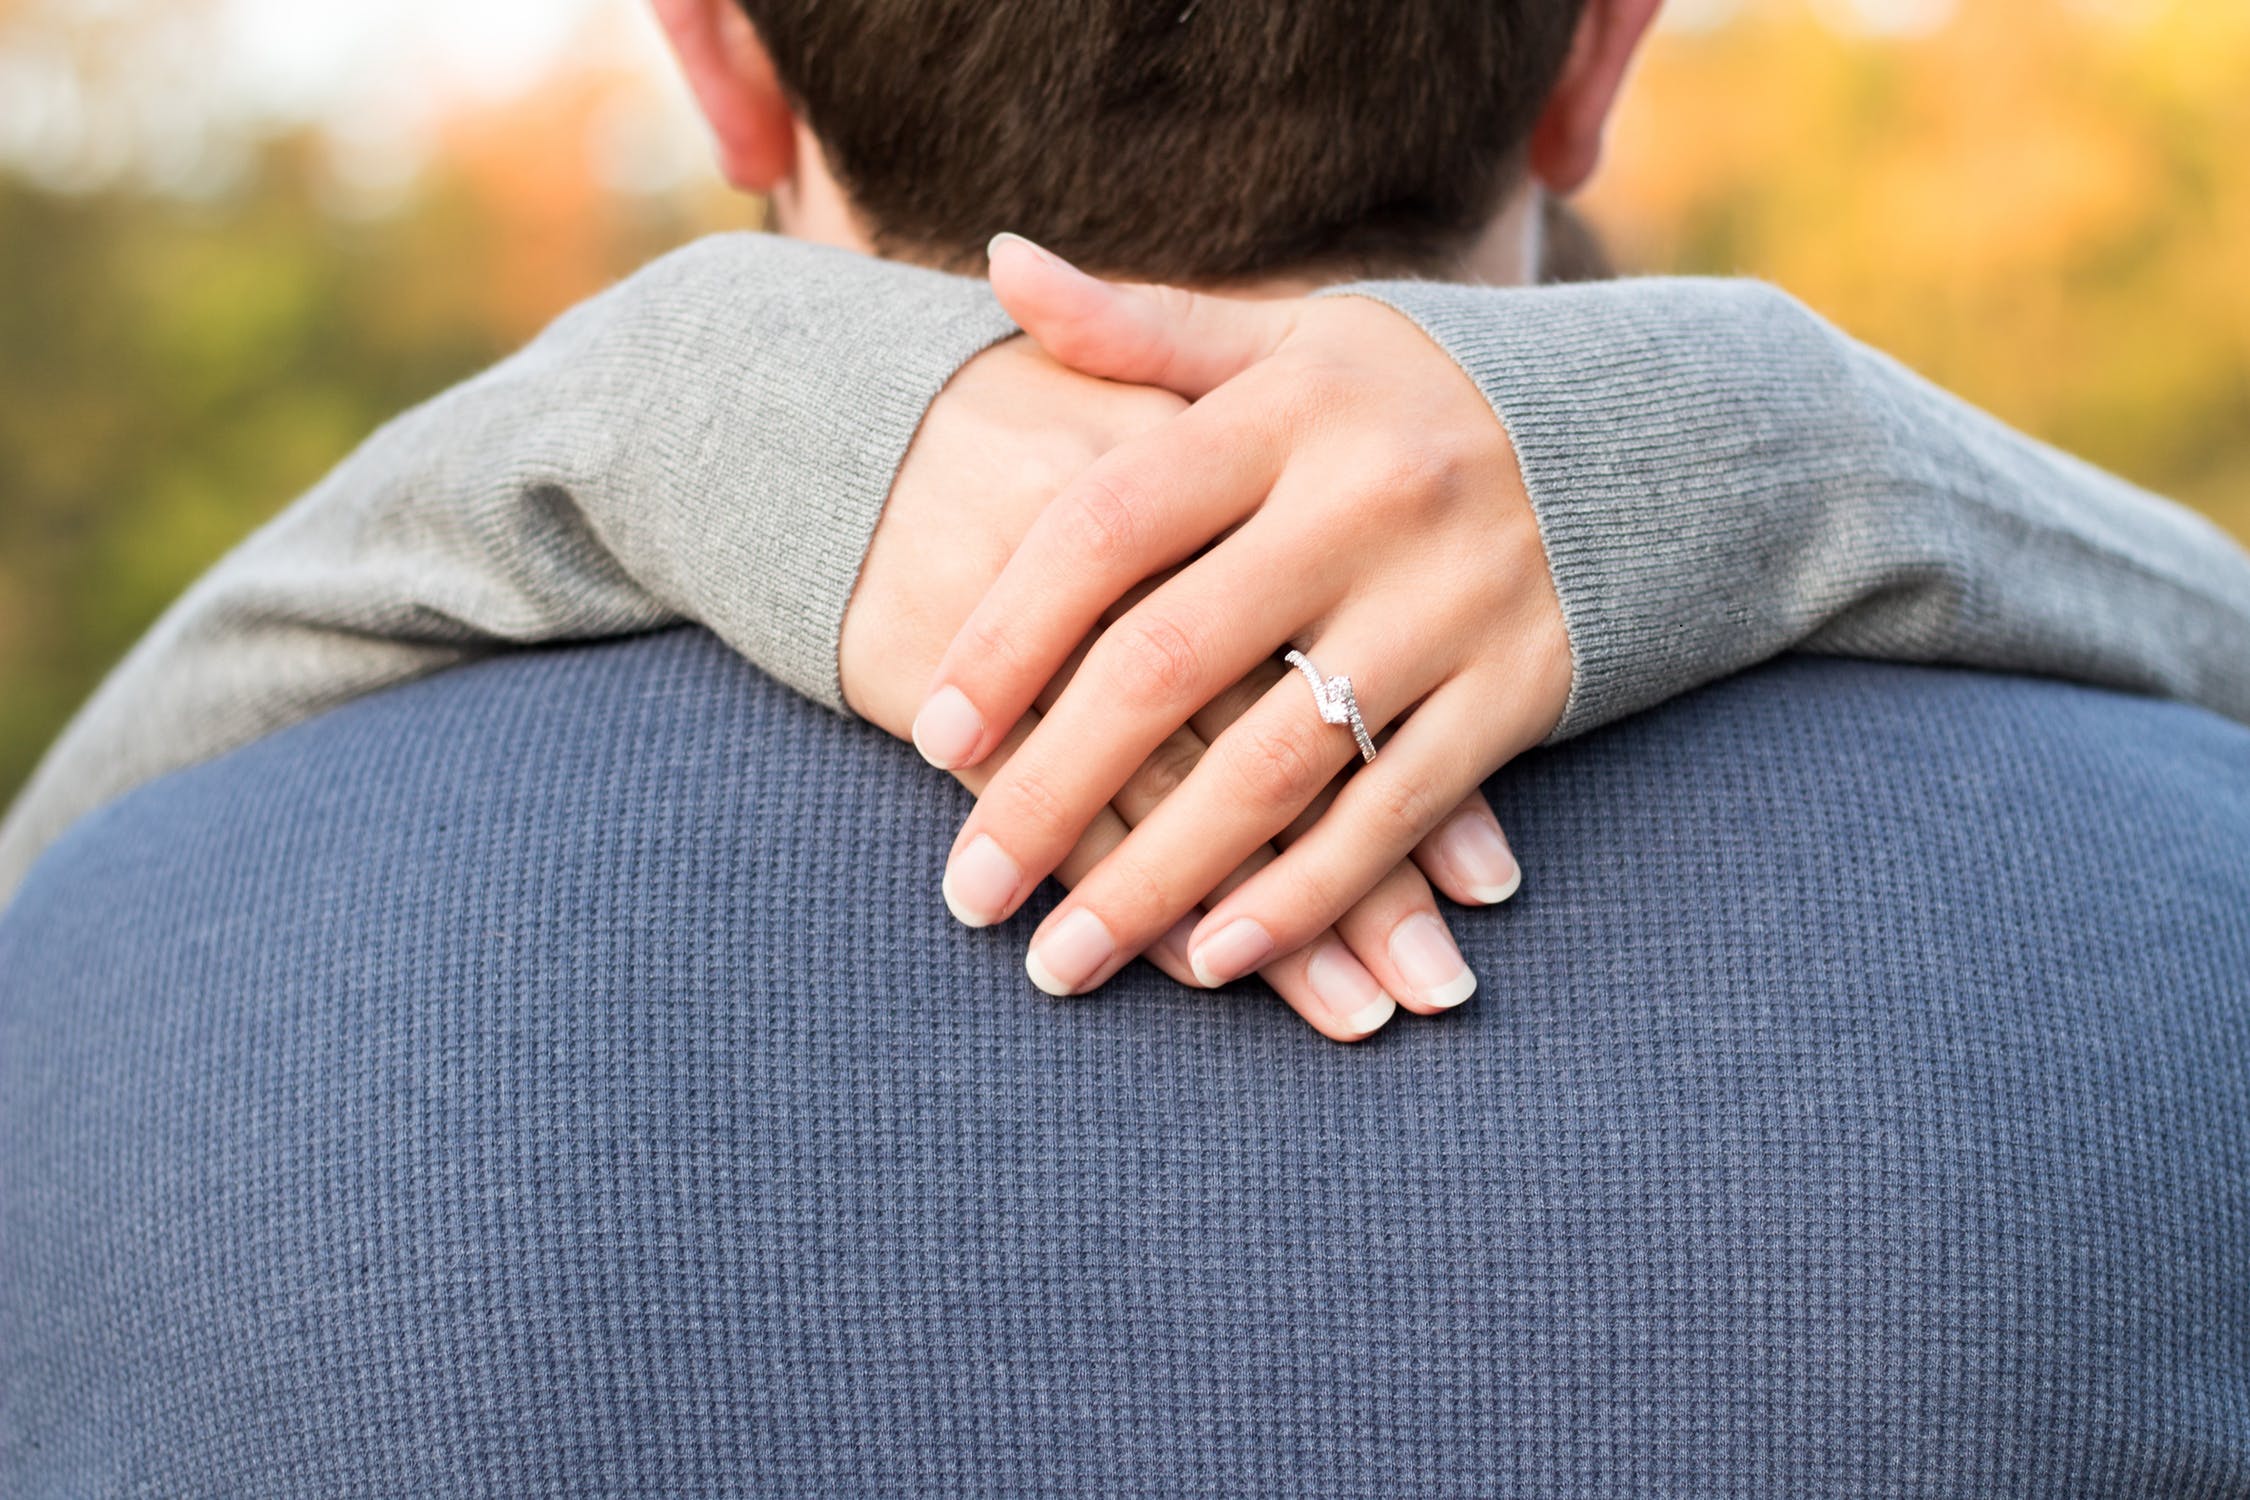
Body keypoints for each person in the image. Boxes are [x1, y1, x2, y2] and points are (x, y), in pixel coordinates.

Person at [2, 0, 2246, 1490]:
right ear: (1600, 54)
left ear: (718, 66)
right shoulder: (2191, 939)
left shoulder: (106, 1000)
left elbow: (54, 860)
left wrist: (632, 406)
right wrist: (1782, 438)